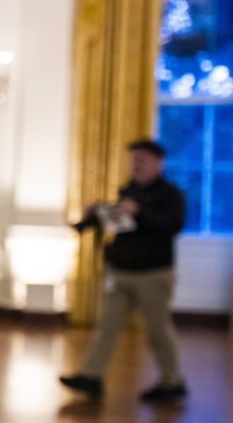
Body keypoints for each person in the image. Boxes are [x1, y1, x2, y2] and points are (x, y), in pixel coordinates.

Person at [59, 138, 187, 403]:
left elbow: (171, 226)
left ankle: (171, 382)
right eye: (134, 160)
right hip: (120, 272)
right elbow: (119, 225)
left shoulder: (170, 194)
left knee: (158, 330)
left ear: (158, 163)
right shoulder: (128, 191)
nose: (137, 165)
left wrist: (140, 212)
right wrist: (91, 217)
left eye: (142, 160)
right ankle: (91, 377)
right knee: (106, 326)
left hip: (153, 274)